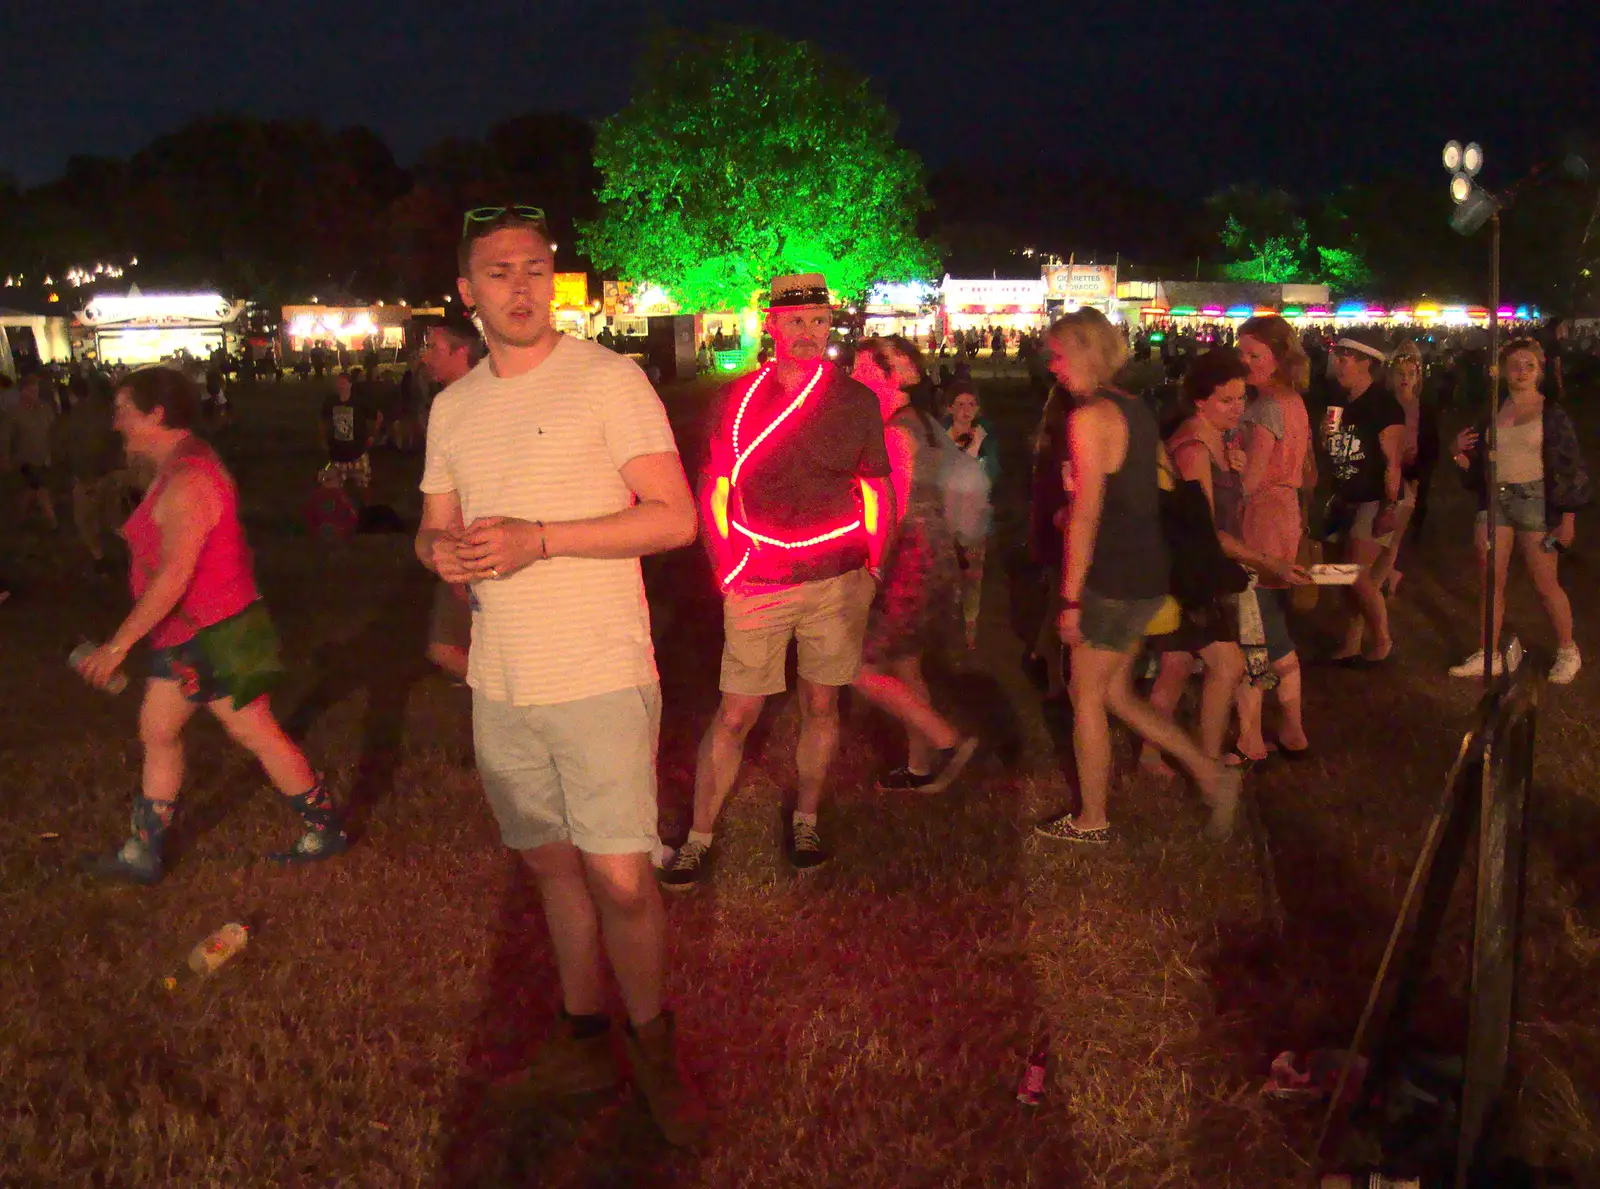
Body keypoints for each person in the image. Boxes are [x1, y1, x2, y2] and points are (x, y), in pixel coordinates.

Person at [415, 206, 703, 1145]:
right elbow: (434, 524)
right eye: (498, 272)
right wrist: (439, 553)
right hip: (500, 681)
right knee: (550, 867)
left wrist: (542, 540)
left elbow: (673, 518)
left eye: (536, 267)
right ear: (467, 293)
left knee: (622, 879)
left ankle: (654, 1053)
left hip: (599, 672)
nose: (521, 286)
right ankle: (584, 1039)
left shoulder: (607, 381)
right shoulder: (453, 407)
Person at [661, 272, 894, 886]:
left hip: (837, 579)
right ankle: (700, 834)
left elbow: (877, 488)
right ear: (772, 323)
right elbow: (714, 486)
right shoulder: (738, 399)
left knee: (822, 703)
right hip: (759, 579)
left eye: (820, 320)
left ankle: (807, 820)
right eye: (797, 321)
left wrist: (874, 566)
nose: (810, 332)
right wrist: (727, 567)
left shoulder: (855, 401)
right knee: (736, 712)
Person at [73, 367, 345, 884]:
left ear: (156, 413)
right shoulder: (176, 464)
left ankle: (322, 828)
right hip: (196, 632)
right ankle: (145, 852)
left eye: (123, 411)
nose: (115, 423)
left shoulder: (190, 478)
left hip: (216, 633)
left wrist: (116, 646)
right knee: (165, 729)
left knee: (249, 732)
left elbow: (176, 574)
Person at [1033, 309, 1242, 845]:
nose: (1052, 366)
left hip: (1112, 574)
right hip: (1148, 570)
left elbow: (1087, 516)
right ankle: (1210, 772)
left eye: (1058, 355)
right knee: (1117, 695)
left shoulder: (1089, 418)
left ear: (1084, 352)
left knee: (1085, 695)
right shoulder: (1137, 409)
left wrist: (1071, 599)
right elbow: (1144, 489)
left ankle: (1092, 818)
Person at [1138, 348, 1310, 777]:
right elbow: (1207, 530)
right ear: (1200, 401)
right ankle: (1208, 762)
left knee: (1176, 666)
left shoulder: (1218, 439)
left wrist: (1235, 470)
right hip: (1188, 574)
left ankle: (1151, 756)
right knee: (1228, 665)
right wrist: (1270, 562)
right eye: (1226, 401)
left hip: (1194, 569)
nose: (1238, 409)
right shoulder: (1193, 447)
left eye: (1241, 399)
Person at [849, 338, 978, 792]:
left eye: (864, 371)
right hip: (935, 549)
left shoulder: (895, 432)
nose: (854, 377)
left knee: (855, 666)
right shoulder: (923, 422)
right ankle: (919, 767)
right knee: (905, 664)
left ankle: (950, 739)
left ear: (891, 376)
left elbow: (894, 509)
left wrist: (873, 568)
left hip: (908, 556)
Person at [1448, 338, 1588, 683]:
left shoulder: (1550, 414)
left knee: (1545, 582)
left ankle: (1568, 651)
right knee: (1490, 582)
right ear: (1502, 371)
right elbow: (1477, 460)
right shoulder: (1494, 411)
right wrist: (1458, 453)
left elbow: (1569, 467)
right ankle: (1489, 653)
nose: (1521, 371)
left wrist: (1567, 518)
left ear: (1540, 370)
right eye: (1515, 365)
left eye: (1529, 365)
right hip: (1494, 502)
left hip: (1535, 503)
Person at [1233, 315, 1314, 760]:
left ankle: (1253, 739)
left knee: (1254, 626)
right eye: (1241, 353)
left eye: (1254, 355)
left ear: (1278, 358)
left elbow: (1252, 478)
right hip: (1285, 517)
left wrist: (1229, 468)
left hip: (1261, 518)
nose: (1245, 363)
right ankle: (1291, 729)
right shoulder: (1293, 401)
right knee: (1267, 619)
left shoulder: (1265, 407)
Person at [1323, 327, 1404, 666]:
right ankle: (1351, 643)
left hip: (1372, 499)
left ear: (1367, 363)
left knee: (1354, 573)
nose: (1339, 364)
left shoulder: (1384, 406)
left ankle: (1383, 640)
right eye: (1338, 357)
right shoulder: (1337, 401)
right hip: (1343, 497)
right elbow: (1327, 444)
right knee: (1344, 577)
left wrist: (1390, 506)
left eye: (1347, 359)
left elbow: (1393, 462)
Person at [417, 316, 483, 681]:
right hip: (454, 538)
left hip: (469, 538)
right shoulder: (448, 403)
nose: (426, 357)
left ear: (462, 352)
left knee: (446, 645)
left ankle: (503, 697)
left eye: (433, 348)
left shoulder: (473, 403)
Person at [1370, 341, 1439, 596]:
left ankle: (1382, 579)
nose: (1405, 379)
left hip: (1411, 479)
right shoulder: (1382, 404)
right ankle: (1384, 574)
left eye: (1411, 374)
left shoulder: (1425, 409)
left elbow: (1432, 449)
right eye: (1401, 374)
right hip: (1384, 475)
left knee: (1395, 536)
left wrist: (1417, 473)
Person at [944, 381, 1000, 649]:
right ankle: (949, 624)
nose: (966, 411)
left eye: (971, 405)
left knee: (973, 578)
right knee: (948, 576)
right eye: (960, 404)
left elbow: (992, 476)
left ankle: (969, 627)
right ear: (950, 408)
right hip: (946, 520)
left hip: (975, 520)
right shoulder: (941, 439)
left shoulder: (987, 440)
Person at [62, 372, 127, 572]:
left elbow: (73, 445)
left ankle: (100, 557)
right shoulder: (114, 410)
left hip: (90, 475)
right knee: (115, 516)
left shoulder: (82, 412)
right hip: (111, 472)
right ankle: (129, 552)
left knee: (86, 519)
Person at [6, 373, 59, 530]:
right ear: (22, 392)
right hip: (27, 459)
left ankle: (20, 515)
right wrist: (6, 457)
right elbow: (7, 437)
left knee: (32, 490)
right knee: (40, 488)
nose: (33, 394)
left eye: (35, 390)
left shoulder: (45, 408)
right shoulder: (14, 413)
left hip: (44, 457)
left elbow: (53, 430)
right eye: (30, 391)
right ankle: (52, 520)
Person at [319, 371, 381, 490]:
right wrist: (323, 439)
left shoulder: (359, 401)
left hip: (357, 454)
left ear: (350, 385)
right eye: (339, 383)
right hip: (337, 455)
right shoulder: (331, 402)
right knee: (330, 487)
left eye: (344, 382)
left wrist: (372, 435)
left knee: (362, 487)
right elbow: (323, 420)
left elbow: (377, 416)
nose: (340, 385)